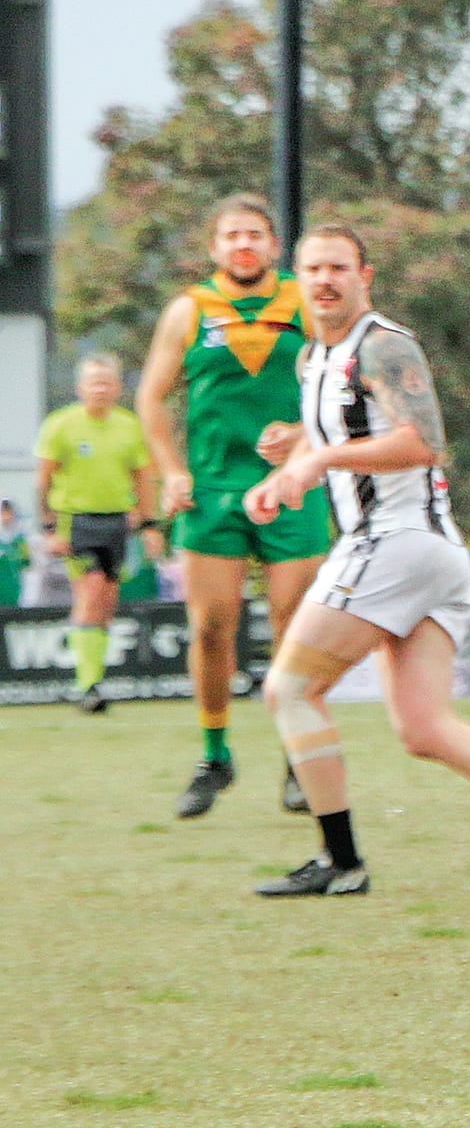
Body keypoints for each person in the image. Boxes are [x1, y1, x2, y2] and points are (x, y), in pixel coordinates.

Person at [242, 222, 470, 898]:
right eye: (313, 268)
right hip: (431, 554)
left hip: (395, 542)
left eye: (339, 267)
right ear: (296, 281)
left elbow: (423, 442)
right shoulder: (312, 357)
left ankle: (339, 860)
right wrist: (291, 459)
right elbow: (347, 434)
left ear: (364, 276)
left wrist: (317, 455)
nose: (324, 280)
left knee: (289, 689)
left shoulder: (382, 343)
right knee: (423, 727)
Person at [137, 194, 332, 821]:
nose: (243, 245)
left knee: (291, 624)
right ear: (215, 248)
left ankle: (297, 758)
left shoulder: (305, 300)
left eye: (255, 234)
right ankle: (214, 755)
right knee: (212, 625)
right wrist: (171, 472)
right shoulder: (189, 310)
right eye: (231, 236)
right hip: (212, 493)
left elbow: (346, 380)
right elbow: (150, 400)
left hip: (294, 487)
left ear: (275, 246)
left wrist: (304, 437)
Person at [35, 356, 162, 712]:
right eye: (94, 382)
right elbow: (42, 480)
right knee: (89, 593)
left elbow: (143, 477)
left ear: (118, 388)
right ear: (80, 388)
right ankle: (86, 684)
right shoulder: (60, 425)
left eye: (107, 382)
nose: (101, 388)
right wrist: (48, 528)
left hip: (116, 523)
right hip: (76, 521)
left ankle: (93, 678)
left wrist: (149, 524)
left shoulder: (128, 426)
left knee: (106, 603)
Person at [0, 498, 28, 609]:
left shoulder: (20, 540)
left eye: (9, 514)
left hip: (15, 591)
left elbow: (27, 563)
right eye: (4, 514)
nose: (7, 518)